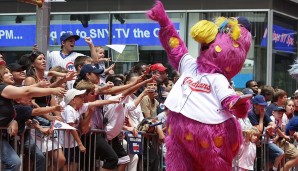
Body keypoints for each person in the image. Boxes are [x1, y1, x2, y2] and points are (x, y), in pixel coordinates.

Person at [148, 2, 252, 170]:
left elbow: (230, 100)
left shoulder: (218, 79)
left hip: (209, 133)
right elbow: (175, 46)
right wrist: (164, 22)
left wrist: (239, 104)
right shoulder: (190, 65)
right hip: (178, 134)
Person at [0, 65, 65, 171]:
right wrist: (51, 91)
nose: (10, 74)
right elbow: (27, 91)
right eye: (6, 73)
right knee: (15, 162)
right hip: (8, 137)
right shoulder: (3, 89)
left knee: (15, 162)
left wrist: (12, 121)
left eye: (9, 72)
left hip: (7, 136)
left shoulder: (9, 97)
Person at [248, 95, 284, 171]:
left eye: (264, 105)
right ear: (255, 105)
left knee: (262, 163)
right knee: (254, 164)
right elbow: (259, 130)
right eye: (261, 105)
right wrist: (261, 117)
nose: (263, 107)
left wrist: (270, 128)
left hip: (262, 143)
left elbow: (273, 124)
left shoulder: (263, 112)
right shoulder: (251, 113)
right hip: (252, 143)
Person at [270, 106, 298, 171]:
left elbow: (283, 131)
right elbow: (275, 131)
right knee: (278, 156)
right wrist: (282, 135)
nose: (281, 115)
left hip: (281, 142)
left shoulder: (280, 121)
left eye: (282, 114)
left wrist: (283, 135)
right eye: (279, 113)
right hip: (271, 143)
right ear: (273, 113)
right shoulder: (271, 119)